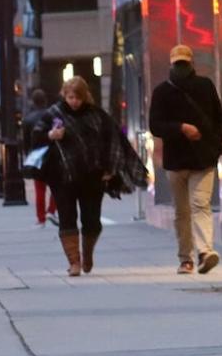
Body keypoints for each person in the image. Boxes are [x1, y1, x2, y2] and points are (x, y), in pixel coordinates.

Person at [40, 76, 147, 276]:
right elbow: (35, 136)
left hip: (92, 176)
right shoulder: (53, 115)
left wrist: (110, 169)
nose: (74, 101)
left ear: (85, 96)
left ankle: (87, 253)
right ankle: (74, 261)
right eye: (70, 97)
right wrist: (50, 136)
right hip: (62, 176)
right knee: (66, 217)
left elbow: (113, 141)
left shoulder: (98, 116)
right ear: (64, 95)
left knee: (92, 221)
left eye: (78, 98)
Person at [148, 44, 222, 275]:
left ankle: (204, 252)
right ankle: (186, 257)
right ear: (173, 64)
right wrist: (181, 128)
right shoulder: (162, 91)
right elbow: (155, 126)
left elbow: (219, 118)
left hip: (202, 158)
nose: (181, 67)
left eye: (184, 62)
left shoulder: (205, 86)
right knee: (183, 211)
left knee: (198, 205)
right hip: (178, 161)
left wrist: (214, 144)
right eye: (178, 63)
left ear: (191, 62)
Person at [22, 89, 56, 227]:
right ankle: (51, 210)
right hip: (53, 154)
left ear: (33, 102)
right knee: (55, 186)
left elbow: (25, 141)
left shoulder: (28, 119)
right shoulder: (53, 116)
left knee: (39, 189)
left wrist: (28, 155)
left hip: (36, 156)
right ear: (45, 100)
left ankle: (40, 218)